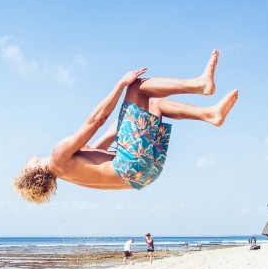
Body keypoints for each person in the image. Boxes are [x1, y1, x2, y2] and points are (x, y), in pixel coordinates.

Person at [13, 50, 239, 203]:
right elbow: (96, 120)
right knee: (139, 87)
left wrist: (123, 122)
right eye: (25, 167)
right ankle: (199, 85)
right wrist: (121, 84)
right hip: (129, 164)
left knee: (154, 105)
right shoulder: (57, 156)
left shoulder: (67, 173)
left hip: (145, 176)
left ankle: (211, 114)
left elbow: (101, 148)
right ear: (34, 171)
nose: (25, 162)